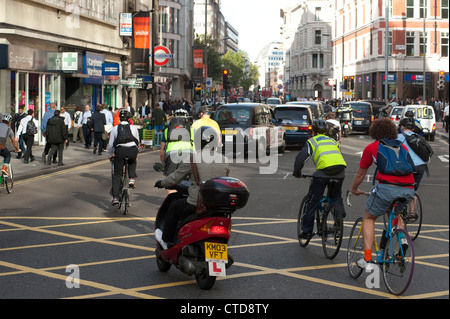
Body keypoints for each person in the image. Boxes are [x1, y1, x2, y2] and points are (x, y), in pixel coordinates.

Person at [350, 118, 415, 269]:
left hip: (387, 188)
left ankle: (366, 260)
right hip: (408, 189)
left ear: (375, 131)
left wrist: (354, 189)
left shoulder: (373, 147)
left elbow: (360, 174)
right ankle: (402, 239)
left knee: (369, 217)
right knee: (395, 214)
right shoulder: (401, 147)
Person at [154, 125, 229, 250]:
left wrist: (162, 183)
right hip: (216, 205)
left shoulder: (192, 159)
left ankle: (167, 241)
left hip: (196, 203)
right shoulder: (224, 160)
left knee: (173, 208)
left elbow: (174, 178)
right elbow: (224, 180)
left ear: (198, 142)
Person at [293, 119, 347, 239]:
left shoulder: (312, 141)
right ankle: (339, 218)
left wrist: (297, 173)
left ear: (313, 131)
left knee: (312, 201)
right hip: (340, 171)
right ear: (326, 131)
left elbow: (300, 159)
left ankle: (306, 231)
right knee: (336, 196)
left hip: (324, 172)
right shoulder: (333, 141)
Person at [107, 109, 140, 206]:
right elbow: (137, 141)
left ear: (120, 119)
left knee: (117, 174)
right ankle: (132, 179)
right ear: (129, 118)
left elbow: (110, 145)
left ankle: (115, 198)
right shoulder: (134, 128)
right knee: (132, 161)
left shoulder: (114, 129)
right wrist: (136, 154)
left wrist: (110, 155)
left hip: (120, 151)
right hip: (132, 150)